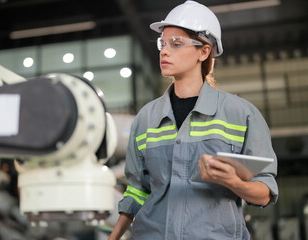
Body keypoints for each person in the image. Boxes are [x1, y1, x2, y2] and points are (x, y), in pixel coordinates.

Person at [108, 1, 278, 239]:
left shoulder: (241, 115)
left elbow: (266, 193)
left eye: (176, 44)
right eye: (162, 43)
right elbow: (137, 191)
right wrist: (113, 237)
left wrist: (233, 182)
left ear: (204, 51)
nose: (164, 51)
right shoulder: (146, 118)